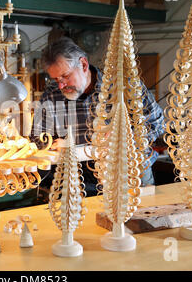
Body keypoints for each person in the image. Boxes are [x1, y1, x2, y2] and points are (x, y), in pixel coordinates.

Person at [30, 37, 165, 197]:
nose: (61, 85)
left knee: (137, 220)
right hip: (80, 182)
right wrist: (52, 144)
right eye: (56, 79)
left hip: (130, 174)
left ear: (84, 65)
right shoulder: (51, 97)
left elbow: (156, 123)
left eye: (65, 76)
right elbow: (36, 139)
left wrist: (124, 140)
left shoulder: (124, 86)